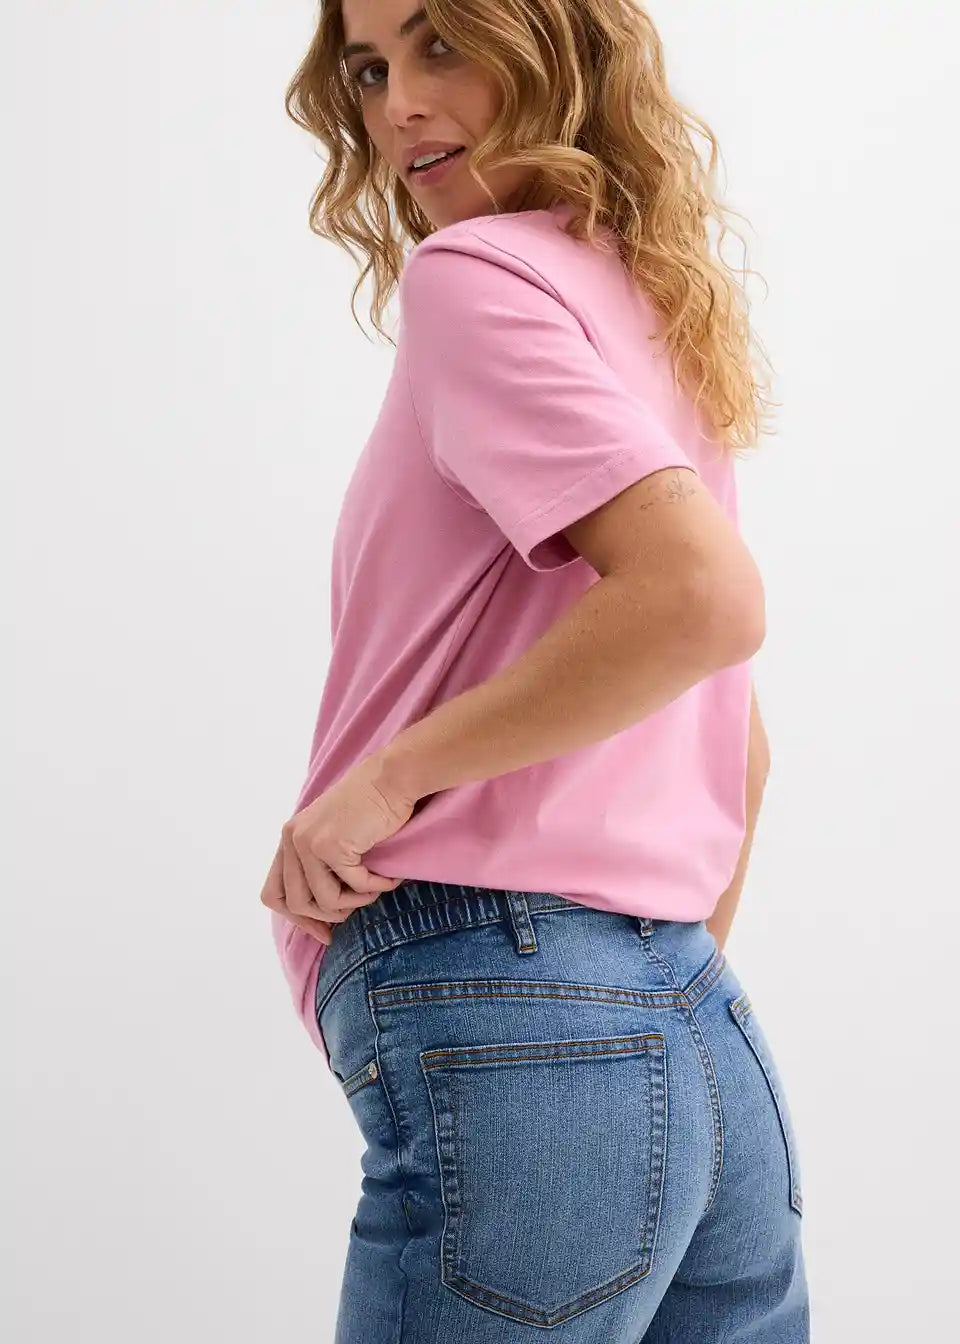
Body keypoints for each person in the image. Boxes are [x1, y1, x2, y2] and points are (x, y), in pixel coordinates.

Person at [259, 2, 809, 1339]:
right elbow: (737, 741)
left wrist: (384, 781)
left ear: (555, 44)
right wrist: (646, 1001)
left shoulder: (478, 280)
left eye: (441, 45)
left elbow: (702, 601)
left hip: (507, 984)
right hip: (696, 1022)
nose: (397, 103)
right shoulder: (647, 303)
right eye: (370, 67)